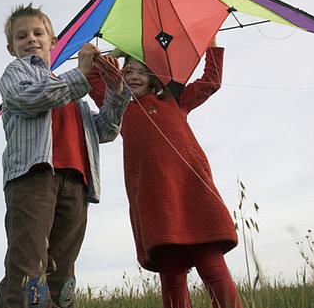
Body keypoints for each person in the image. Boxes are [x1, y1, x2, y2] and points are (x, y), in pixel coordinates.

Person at [88, 39, 243, 308]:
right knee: (171, 275)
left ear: (154, 78)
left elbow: (211, 81)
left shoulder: (175, 100)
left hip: (193, 193)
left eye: (141, 71)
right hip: (155, 200)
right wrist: (118, 51)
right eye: (128, 70)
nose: (134, 76)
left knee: (213, 267)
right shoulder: (118, 105)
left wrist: (212, 45)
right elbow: (93, 75)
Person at [0, 3, 131, 308]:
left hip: (77, 181)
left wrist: (114, 91)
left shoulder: (74, 93)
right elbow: (26, 98)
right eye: (21, 36)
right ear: (11, 48)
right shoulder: (18, 72)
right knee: (28, 267)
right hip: (34, 177)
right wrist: (82, 73)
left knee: (62, 270)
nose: (30, 39)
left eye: (37, 32)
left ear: (53, 40)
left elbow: (105, 132)